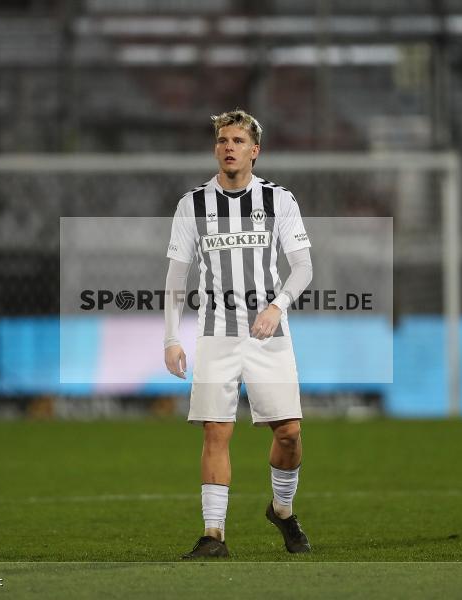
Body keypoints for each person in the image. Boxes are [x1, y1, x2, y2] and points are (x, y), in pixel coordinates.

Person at [163, 109, 313, 558]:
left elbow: (303, 267)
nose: (229, 147)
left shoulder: (279, 200)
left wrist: (276, 306)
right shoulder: (192, 204)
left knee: (288, 432)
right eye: (223, 140)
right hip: (216, 335)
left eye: (238, 141)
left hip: (270, 334)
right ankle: (214, 536)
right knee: (216, 431)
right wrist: (172, 337)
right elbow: (176, 277)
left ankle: (282, 511)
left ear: (255, 150)